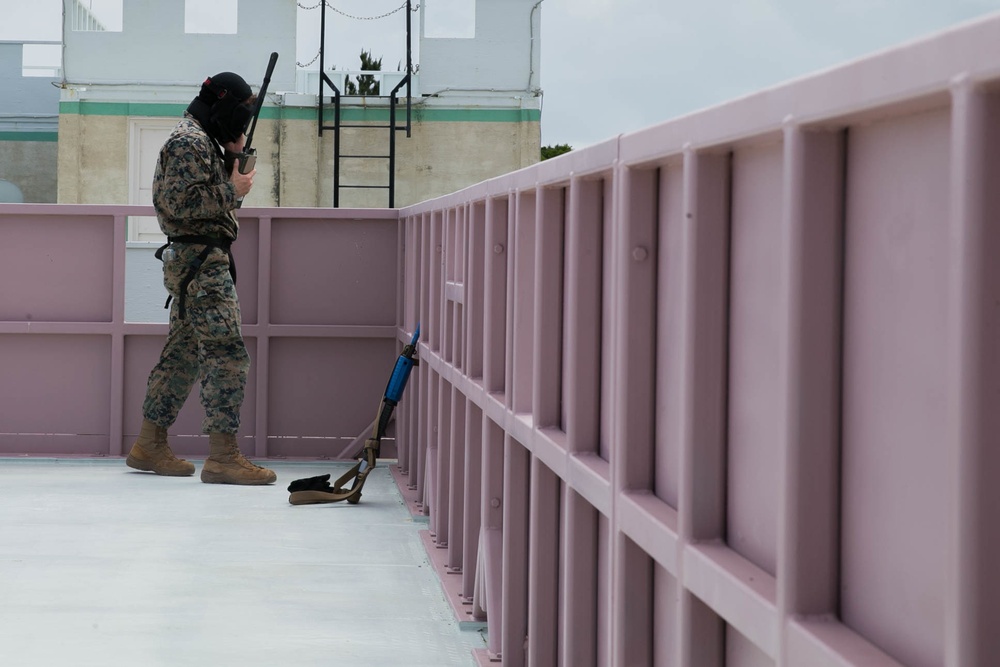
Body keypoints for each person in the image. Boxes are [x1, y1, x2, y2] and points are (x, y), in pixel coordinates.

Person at [125, 71, 276, 485]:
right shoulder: (189, 142)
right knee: (226, 354)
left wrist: (230, 160)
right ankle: (223, 457)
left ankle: (148, 445)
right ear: (224, 104)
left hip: (198, 259)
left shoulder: (201, 139)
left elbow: (200, 202)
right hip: (201, 262)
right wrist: (234, 188)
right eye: (240, 114)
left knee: (184, 353)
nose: (242, 123)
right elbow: (183, 203)